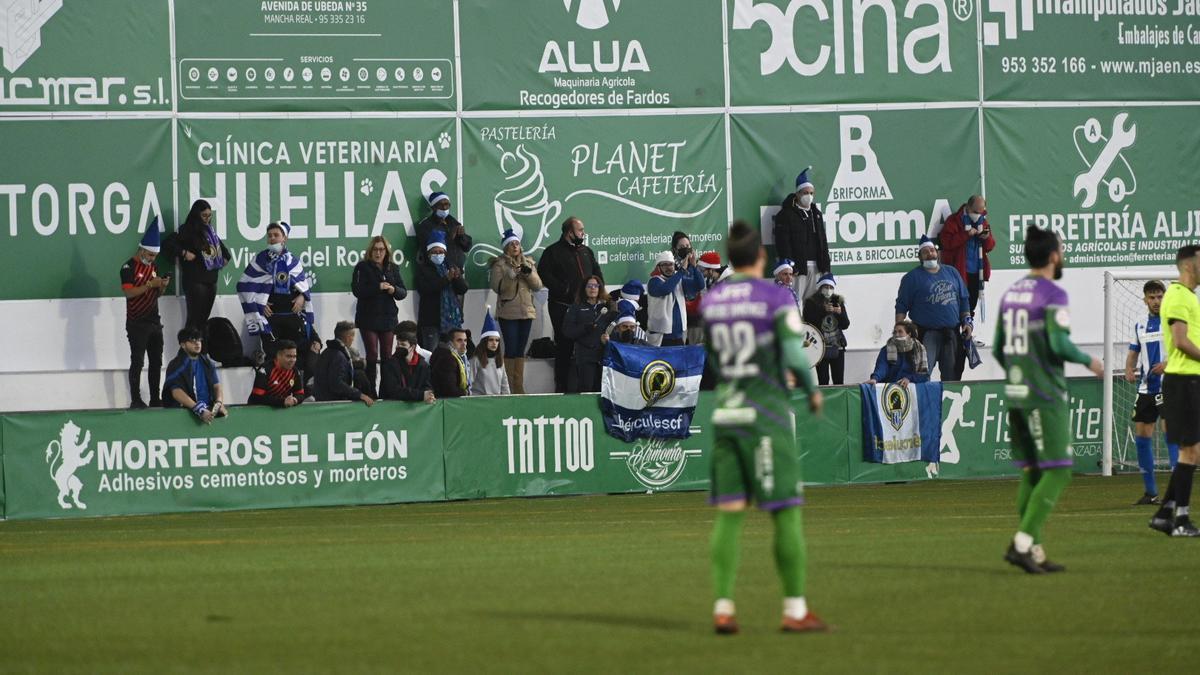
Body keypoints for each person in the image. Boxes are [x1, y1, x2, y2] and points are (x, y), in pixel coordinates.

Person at [700, 220, 827, 634]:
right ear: (760, 257)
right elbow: (795, 353)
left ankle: (723, 606)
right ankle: (794, 610)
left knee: (730, 513)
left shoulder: (714, 302)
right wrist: (811, 390)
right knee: (786, 511)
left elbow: (715, 361)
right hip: (765, 417)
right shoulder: (774, 298)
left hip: (726, 414)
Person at [993, 226, 1104, 573]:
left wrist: (1019, 375)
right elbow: (1059, 344)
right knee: (1059, 471)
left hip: (1015, 394)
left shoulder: (1012, 293)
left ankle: (1034, 549)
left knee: (1033, 470)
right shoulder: (1052, 294)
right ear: (1054, 255)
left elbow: (998, 347)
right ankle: (1023, 542)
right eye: (1063, 249)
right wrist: (1091, 360)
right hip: (1044, 394)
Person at [1148, 245, 1200, 537]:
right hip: (1183, 381)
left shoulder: (1187, 297)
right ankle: (1180, 521)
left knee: (1191, 451)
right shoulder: (1179, 296)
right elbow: (1180, 341)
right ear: (1190, 265)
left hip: (1189, 380)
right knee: (1190, 451)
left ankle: (1165, 513)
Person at [1124, 280, 1180, 505]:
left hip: (1170, 385)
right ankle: (1151, 493)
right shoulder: (1139, 323)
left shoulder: (1174, 320)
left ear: (1165, 297)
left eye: (1159, 296)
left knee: (1171, 435)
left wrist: (1168, 363)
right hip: (1146, 388)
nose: (1156, 301)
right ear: (1145, 299)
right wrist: (1129, 367)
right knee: (1142, 438)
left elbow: (1186, 347)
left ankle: (1176, 494)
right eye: (1152, 297)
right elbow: (1134, 350)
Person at [538, 216, 603, 392]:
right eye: (580, 230)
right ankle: (562, 388)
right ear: (569, 232)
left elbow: (596, 273)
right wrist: (564, 289)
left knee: (589, 344)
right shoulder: (552, 252)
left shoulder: (586, 251)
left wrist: (600, 293)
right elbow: (543, 273)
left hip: (587, 307)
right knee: (564, 346)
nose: (583, 233)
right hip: (562, 306)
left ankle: (589, 387)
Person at [895, 236, 971, 382]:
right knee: (921, 374)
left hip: (951, 333)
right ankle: (923, 404)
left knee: (952, 376)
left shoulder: (952, 273)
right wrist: (899, 331)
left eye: (932, 250)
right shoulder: (911, 278)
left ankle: (949, 403)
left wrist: (967, 323)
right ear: (920, 257)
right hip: (925, 334)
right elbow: (901, 306)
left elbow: (963, 299)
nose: (930, 253)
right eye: (925, 252)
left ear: (937, 252)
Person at [236, 221, 313, 355]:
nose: (272, 238)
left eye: (276, 235)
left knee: (295, 355)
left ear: (285, 238)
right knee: (272, 355)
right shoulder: (260, 259)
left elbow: (303, 284)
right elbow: (244, 285)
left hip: (292, 316)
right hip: (270, 316)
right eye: (269, 235)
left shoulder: (293, 261)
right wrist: (260, 302)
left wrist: (302, 296)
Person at [940, 195, 996, 379]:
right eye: (976, 211)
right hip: (958, 274)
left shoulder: (983, 221)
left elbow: (991, 245)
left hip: (975, 275)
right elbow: (946, 242)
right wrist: (966, 234)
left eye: (982, 212)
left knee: (968, 312)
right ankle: (955, 337)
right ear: (968, 207)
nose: (979, 215)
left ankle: (966, 334)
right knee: (955, 310)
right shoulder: (954, 221)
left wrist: (985, 237)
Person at [161, 199, 231, 337]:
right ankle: (188, 354)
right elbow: (168, 243)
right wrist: (184, 253)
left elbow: (225, 252)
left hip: (211, 280)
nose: (207, 219)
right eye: (204, 215)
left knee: (203, 322)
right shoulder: (187, 229)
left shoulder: (210, 232)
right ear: (196, 214)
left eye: (209, 215)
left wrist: (223, 259)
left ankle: (201, 354)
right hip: (195, 280)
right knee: (193, 321)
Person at [120, 222, 169, 409]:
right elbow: (129, 293)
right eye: (150, 255)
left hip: (154, 320)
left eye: (154, 256)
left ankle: (155, 398)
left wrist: (162, 286)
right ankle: (136, 398)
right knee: (138, 361)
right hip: (136, 322)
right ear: (141, 250)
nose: (152, 258)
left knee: (156, 361)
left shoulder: (153, 267)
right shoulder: (128, 267)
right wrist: (150, 285)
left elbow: (157, 295)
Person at [489, 228, 542, 394]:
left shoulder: (529, 262)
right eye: (511, 244)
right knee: (511, 349)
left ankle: (518, 386)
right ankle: (508, 386)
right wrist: (511, 274)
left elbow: (538, 286)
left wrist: (527, 273)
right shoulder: (499, 264)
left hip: (526, 312)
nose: (515, 246)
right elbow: (497, 287)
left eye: (517, 243)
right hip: (508, 313)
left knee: (520, 350)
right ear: (505, 247)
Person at [351, 235, 407, 394]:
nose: (378, 253)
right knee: (372, 354)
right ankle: (371, 392)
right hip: (368, 317)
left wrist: (393, 290)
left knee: (387, 356)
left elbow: (403, 292)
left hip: (388, 318)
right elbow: (357, 290)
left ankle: (386, 390)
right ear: (370, 251)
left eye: (381, 249)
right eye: (375, 249)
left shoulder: (393, 268)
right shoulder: (362, 267)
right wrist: (378, 287)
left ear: (386, 251)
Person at [773, 166, 831, 301]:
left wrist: (826, 266)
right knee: (795, 302)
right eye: (805, 193)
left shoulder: (816, 214)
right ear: (798, 194)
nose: (809, 196)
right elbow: (783, 243)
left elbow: (823, 240)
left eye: (811, 193)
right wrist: (790, 266)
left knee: (814, 304)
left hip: (817, 267)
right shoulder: (786, 214)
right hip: (798, 268)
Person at [163, 327, 229, 423]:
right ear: (183, 345)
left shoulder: (207, 363)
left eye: (199, 340)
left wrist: (219, 402)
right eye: (192, 340)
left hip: (208, 411)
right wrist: (198, 409)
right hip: (185, 413)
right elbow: (176, 392)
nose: (197, 343)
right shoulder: (176, 365)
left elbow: (217, 386)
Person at [415, 231, 468, 352]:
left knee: (452, 355)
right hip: (431, 321)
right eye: (434, 252)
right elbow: (425, 289)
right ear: (429, 254)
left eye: (441, 252)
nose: (438, 254)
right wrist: (446, 279)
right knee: (432, 354)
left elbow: (463, 289)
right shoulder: (423, 270)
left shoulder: (451, 266)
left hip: (452, 322)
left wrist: (457, 278)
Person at [563, 275, 616, 393]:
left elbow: (616, 328)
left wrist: (608, 338)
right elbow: (568, 331)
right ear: (584, 289)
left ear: (600, 288)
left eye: (595, 286)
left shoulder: (607, 306)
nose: (593, 288)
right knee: (586, 388)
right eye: (589, 286)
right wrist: (585, 328)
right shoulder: (576, 307)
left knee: (604, 390)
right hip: (585, 355)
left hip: (604, 354)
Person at [647, 250, 704, 346]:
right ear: (658, 267)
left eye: (671, 264)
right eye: (665, 265)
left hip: (679, 336)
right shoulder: (654, 282)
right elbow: (666, 289)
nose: (669, 267)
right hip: (661, 337)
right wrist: (682, 271)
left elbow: (700, 285)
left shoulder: (679, 278)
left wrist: (694, 267)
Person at [312, 321, 375, 406]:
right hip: (333, 404)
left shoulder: (326, 352)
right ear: (348, 337)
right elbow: (336, 384)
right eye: (353, 336)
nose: (353, 340)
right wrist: (359, 395)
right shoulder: (339, 356)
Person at [803, 274, 849, 385]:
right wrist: (823, 311)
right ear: (820, 287)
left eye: (831, 287)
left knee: (839, 381)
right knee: (823, 380)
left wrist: (839, 313)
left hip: (837, 346)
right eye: (826, 287)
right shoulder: (811, 302)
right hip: (820, 347)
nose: (828, 290)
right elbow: (809, 324)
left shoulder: (838, 301)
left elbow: (845, 324)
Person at [415, 191, 472, 269]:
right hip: (437, 272)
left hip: (456, 271)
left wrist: (463, 236)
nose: (444, 208)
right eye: (440, 205)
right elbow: (429, 249)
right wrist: (450, 236)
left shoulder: (452, 221)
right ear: (433, 208)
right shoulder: (426, 225)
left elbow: (467, 247)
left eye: (447, 204)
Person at [866, 321, 929, 387]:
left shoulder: (919, 349)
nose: (897, 334)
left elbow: (924, 375)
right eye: (895, 332)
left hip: (911, 388)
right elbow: (882, 368)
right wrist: (875, 378)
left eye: (900, 332)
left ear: (909, 334)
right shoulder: (886, 349)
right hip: (890, 387)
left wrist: (909, 378)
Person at [380, 330, 435, 404]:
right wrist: (421, 395)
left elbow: (427, 386)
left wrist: (428, 395)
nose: (399, 347)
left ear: (412, 347)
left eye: (403, 345)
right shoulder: (390, 364)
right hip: (393, 407)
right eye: (398, 344)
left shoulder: (423, 365)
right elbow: (394, 391)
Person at [247, 339, 305, 407]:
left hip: (280, 411)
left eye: (294, 356)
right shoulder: (265, 370)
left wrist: (295, 399)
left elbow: (300, 394)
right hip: (258, 412)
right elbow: (257, 398)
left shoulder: (295, 371)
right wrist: (282, 402)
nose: (292, 360)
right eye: (288, 356)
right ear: (278, 356)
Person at [470, 309, 510, 396]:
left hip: (496, 402)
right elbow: (469, 382)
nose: (494, 343)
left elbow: (504, 384)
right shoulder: (476, 360)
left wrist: (507, 401)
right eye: (491, 340)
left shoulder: (499, 360)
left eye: (497, 340)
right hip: (479, 401)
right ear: (485, 341)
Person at [430, 328, 471, 399]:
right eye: (459, 340)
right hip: (447, 403)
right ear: (450, 343)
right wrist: (465, 392)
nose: (464, 344)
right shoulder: (447, 359)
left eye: (465, 340)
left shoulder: (460, 357)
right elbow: (450, 390)